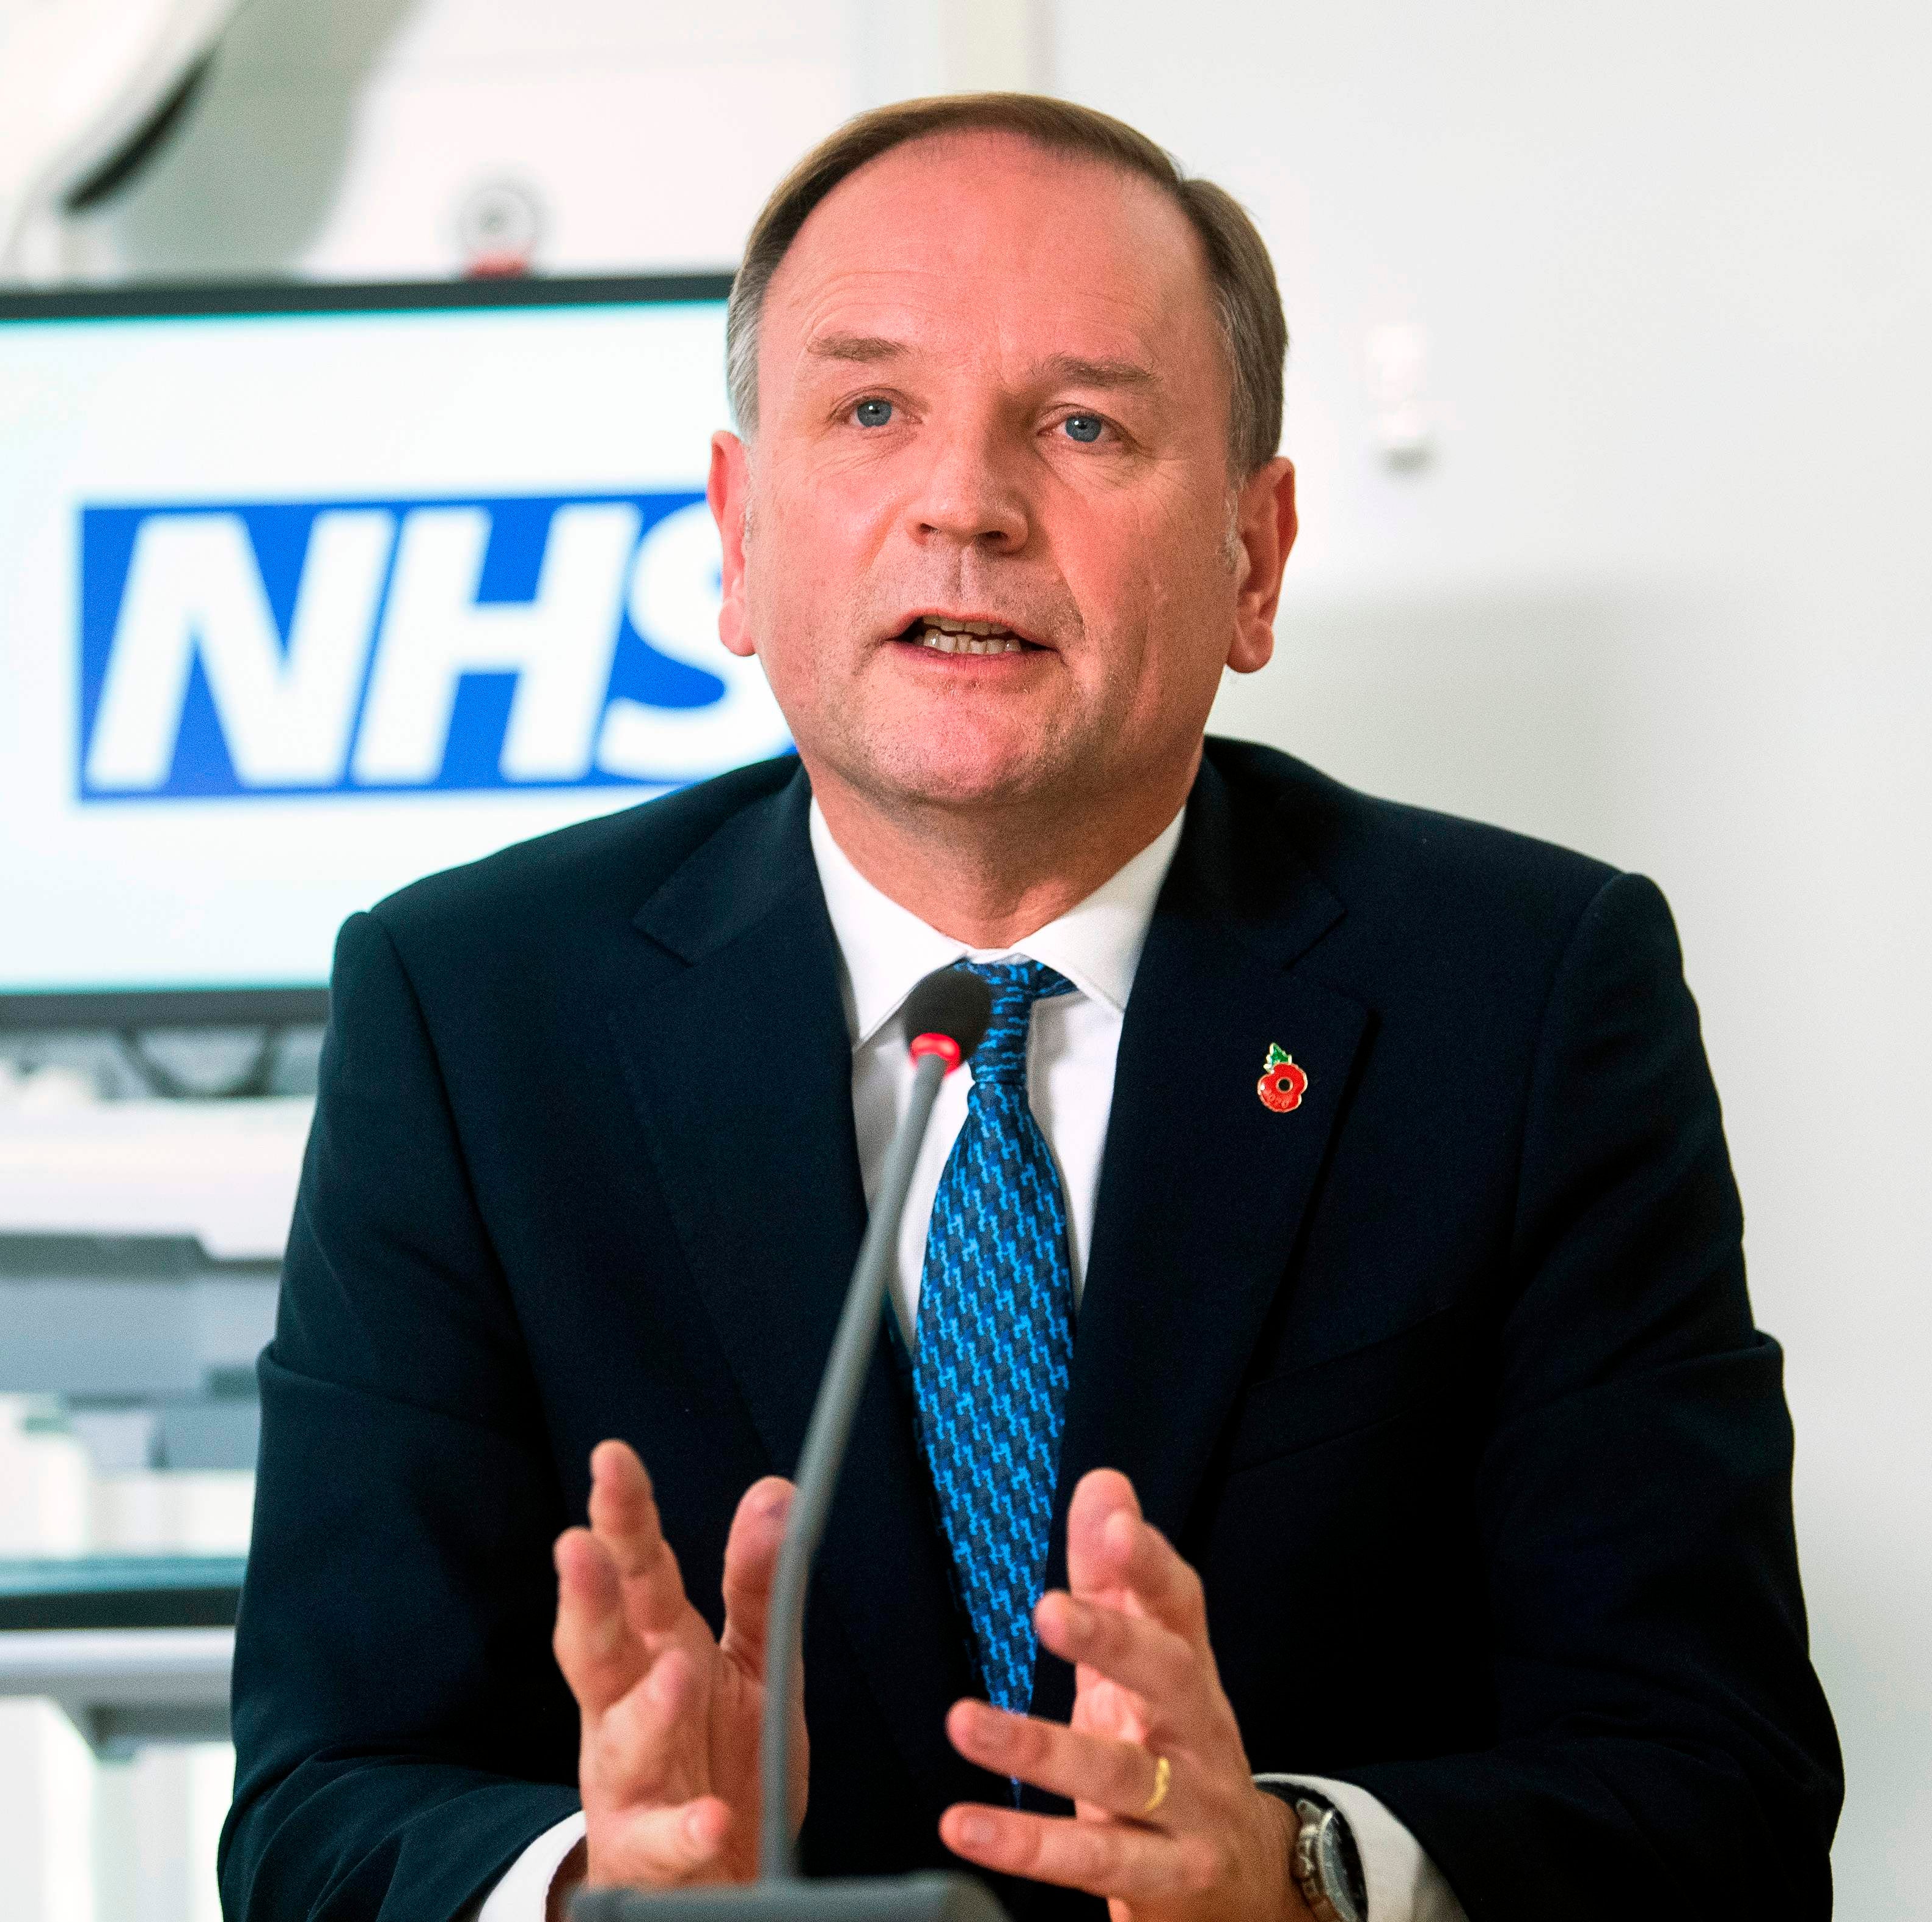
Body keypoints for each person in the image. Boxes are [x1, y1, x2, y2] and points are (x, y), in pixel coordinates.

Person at [223, 94, 1841, 1922]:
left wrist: (1302, 1872)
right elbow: (316, 1805)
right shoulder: (473, 1011)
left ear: (1255, 554)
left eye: (1082, 424)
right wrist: (603, 1878)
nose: (968, 505)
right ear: (742, 538)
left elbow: (1724, 1799)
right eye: (871, 411)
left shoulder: (1529, 996)